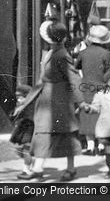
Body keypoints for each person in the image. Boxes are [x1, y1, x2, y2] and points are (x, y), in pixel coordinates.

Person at [20, 21, 83, 181]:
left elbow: (74, 78)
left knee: (47, 132)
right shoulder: (53, 52)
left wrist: (80, 101)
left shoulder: (61, 54)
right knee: (57, 133)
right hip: (50, 97)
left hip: (57, 99)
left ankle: (38, 169)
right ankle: (68, 168)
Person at [76, 25, 110, 156]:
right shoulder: (107, 54)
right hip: (102, 88)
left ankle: (90, 146)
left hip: (86, 87)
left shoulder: (83, 53)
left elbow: (77, 66)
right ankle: (102, 145)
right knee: (101, 116)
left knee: (87, 116)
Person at [10, 85, 35, 179]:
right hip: (22, 130)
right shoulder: (20, 105)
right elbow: (13, 117)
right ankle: (30, 164)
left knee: (26, 149)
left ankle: (26, 170)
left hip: (29, 129)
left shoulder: (30, 105)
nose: (18, 99)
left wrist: (21, 108)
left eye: (21, 97)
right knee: (21, 150)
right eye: (17, 97)